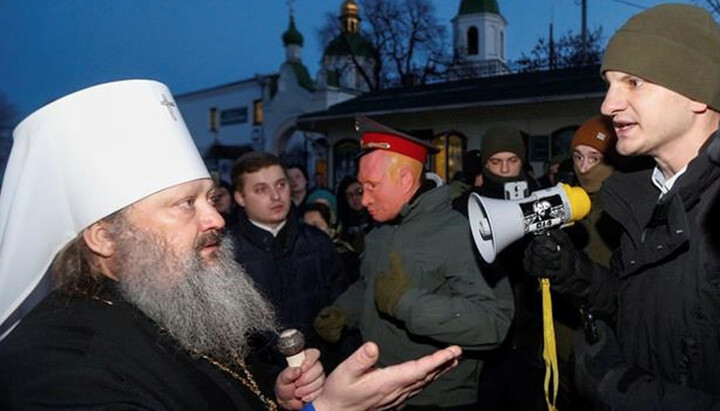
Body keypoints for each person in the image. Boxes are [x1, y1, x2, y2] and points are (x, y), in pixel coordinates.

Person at [0, 80, 463, 410]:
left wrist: (279, 397)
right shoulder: (61, 372)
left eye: (209, 198)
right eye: (184, 204)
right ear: (103, 237)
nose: (216, 219)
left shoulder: (170, 296)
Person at [524, 4, 720, 408]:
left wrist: (623, 389)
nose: (608, 104)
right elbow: (639, 302)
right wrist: (573, 271)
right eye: (610, 83)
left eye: (633, 82)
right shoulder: (646, 195)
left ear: (697, 93)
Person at [314, 115, 514, 410]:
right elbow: (371, 283)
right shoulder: (381, 227)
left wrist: (407, 304)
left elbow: (493, 323)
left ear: (405, 179)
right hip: (379, 389)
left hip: (436, 399)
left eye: (372, 186)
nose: (364, 198)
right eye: (361, 187)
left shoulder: (460, 230)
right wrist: (345, 311)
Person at [228, 152, 349, 371]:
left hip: (322, 369)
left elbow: (342, 310)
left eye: (281, 185)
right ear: (239, 197)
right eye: (261, 189)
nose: (276, 196)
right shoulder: (226, 254)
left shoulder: (317, 242)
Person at [464, 126, 547, 411]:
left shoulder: (540, 198)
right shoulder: (467, 205)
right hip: (486, 326)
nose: (504, 170)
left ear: (522, 162)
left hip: (529, 326)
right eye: (496, 162)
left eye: (511, 161)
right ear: (485, 164)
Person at [336, 175, 371, 253]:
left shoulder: (379, 217)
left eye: (359, 192)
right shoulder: (342, 223)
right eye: (349, 195)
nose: (355, 198)